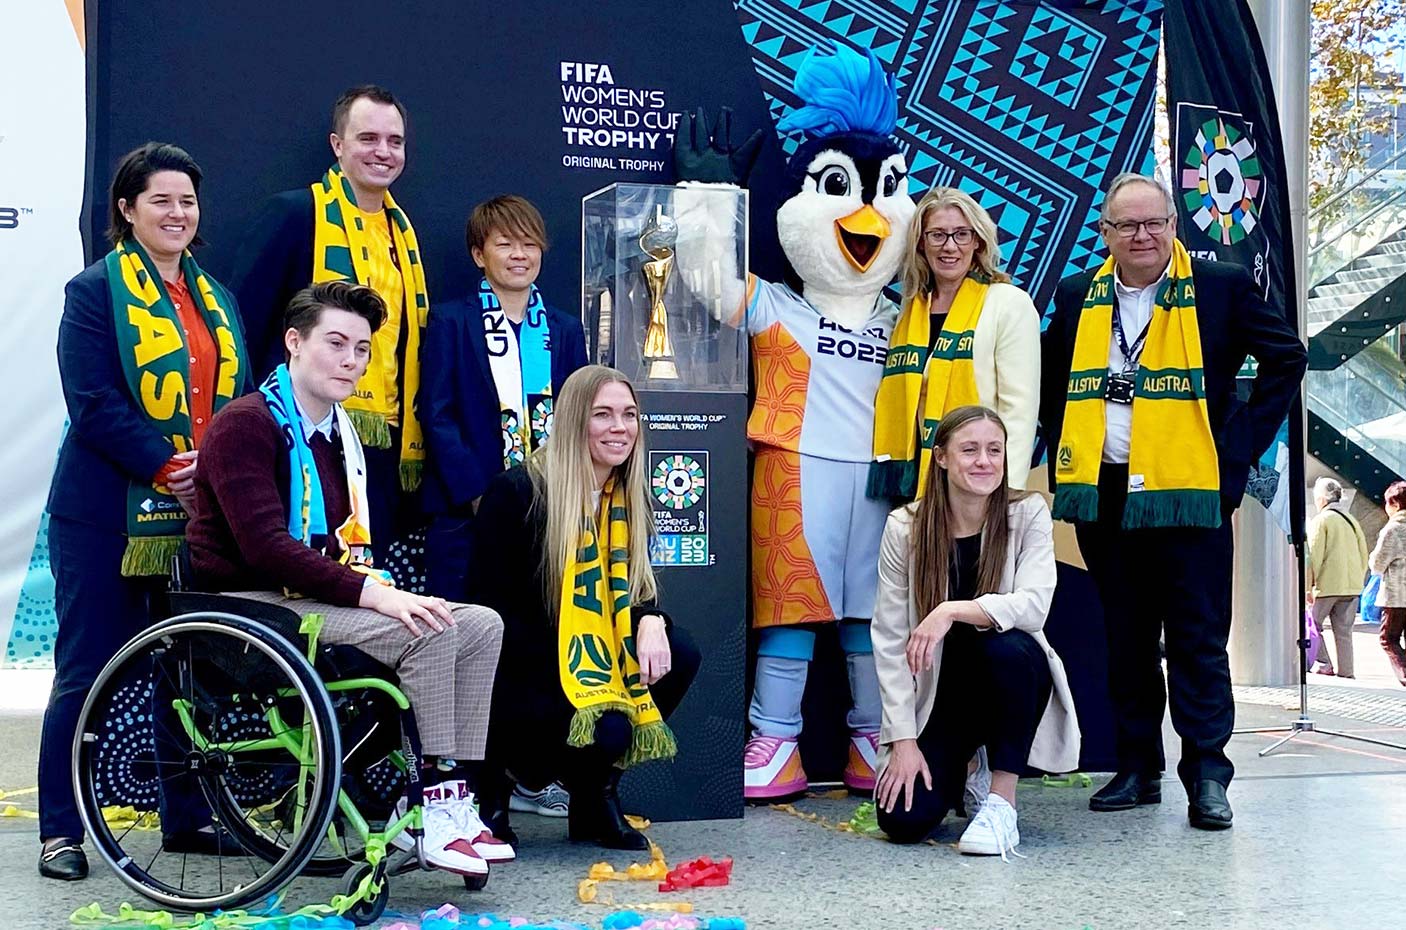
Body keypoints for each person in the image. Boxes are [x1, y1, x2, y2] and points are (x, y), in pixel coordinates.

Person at [187, 281, 508, 878]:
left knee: (481, 623)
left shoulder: (341, 433)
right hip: (246, 603)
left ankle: (459, 801)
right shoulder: (245, 425)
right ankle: (434, 805)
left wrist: (374, 587)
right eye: (336, 343)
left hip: (309, 594)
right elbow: (267, 548)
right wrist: (374, 594)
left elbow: (344, 545)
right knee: (429, 629)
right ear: (293, 342)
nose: (351, 361)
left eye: (361, 350)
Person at [1039, 172, 1306, 830]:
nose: (1143, 235)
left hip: (1191, 496)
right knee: (1126, 639)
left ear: (1173, 224)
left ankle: (1208, 775)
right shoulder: (1076, 297)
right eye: (1127, 225)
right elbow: (1049, 380)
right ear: (1105, 234)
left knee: (1197, 640)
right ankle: (1138, 768)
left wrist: (1237, 451)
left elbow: (1286, 358)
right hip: (1106, 493)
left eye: (1154, 221)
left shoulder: (1221, 286)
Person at [38, 143, 253, 880]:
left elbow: (240, 403)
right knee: (85, 672)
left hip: (196, 519)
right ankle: (60, 832)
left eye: (187, 200)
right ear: (126, 211)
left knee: (186, 671)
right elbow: (92, 405)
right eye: (160, 200)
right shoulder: (92, 293)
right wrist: (169, 468)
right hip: (104, 517)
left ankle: (187, 818)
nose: (177, 213)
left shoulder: (216, 299)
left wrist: (213, 473)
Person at [469, 366, 701, 851]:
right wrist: (578, 668)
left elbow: (635, 592)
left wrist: (654, 620)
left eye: (629, 415)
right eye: (603, 415)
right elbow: (486, 616)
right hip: (522, 669)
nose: (620, 428)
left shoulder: (629, 495)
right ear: (575, 421)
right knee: (606, 721)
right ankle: (496, 783)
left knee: (680, 653)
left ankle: (594, 797)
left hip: (591, 659)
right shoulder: (518, 493)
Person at [871, 406, 1078, 856]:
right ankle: (969, 767)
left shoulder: (1028, 513)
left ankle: (1002, 802)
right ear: (941, 457)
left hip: (1005, 681)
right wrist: (903, 741)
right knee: (902, 822)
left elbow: (1034, 606)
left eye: (994, 450)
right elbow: (888, 640)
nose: (984, 461)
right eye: (970, 450)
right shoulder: (905, 527)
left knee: (1012, 649)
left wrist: (952, 610)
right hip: (942, 701)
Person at [229, 84, 427, 539]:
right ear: (338, 145)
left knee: (364, 575)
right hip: (297, 430)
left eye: (394, 142)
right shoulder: (297, 213)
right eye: (368, 139)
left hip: (385, 442)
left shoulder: (404, 235)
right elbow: (242, 329)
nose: (383, 152)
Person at [421, 195, 587, 601]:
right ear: (479, 255)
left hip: (550, 511)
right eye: (505, 244)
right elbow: (436, 413)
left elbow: (578, 415)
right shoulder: (452, 320)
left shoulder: (565, 329)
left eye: (530, 245)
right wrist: (481, 495)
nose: (520, 255)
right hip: (467, 513)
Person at [870, 186, 1041, 498]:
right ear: (921, 243)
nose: (950, 246)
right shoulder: (909, 311)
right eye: (937, 235)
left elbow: (1020, 409)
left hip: (979, 485)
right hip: (911, 485)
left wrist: (1008, 491)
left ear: (977, 241)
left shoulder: (1008, 303)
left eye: (961, 234)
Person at [1306, 476, 1370, 677]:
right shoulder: (1352, 520)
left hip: (1328, 585)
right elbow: (1364, 554)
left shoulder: (1322, 520)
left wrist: (1308, 587)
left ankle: (1324, 663)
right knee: (1344, 632)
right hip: (1351, 586)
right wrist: (1357, 580)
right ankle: (1347, 672)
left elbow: (1313, 556)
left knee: (1311, 624)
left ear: (1322, 499)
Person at [1369, 480, 1406, 687]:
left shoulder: (1393, 529)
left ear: (1395, 504)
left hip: (1397, 595)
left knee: (1388, 638)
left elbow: (1377, 563)